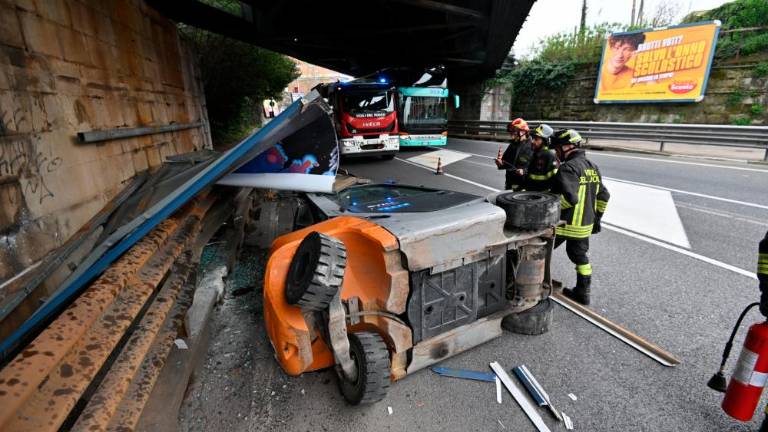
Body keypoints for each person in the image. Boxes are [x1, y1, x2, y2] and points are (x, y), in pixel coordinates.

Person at [549, 129, 610, 305]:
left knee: (540, 249)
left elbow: (570, 198)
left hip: (565, 224)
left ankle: (536, 281)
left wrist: (549, 210)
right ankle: (583, 292)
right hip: (585, 225)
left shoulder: (568, 168)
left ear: (568, 147)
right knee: (580, 257)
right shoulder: (592, 166)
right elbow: (604, 196)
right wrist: (596, 219)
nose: (556, 153)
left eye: (558, 148)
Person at [495, 118, 532, 191]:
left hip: (524, 186)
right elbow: (506, 163)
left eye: (514, 131)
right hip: (510, 184)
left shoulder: (532, 146)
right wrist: (500, 163)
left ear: (522, 132)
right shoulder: (512, 145)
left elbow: (537, 168)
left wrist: (524, 171)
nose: (511, 133)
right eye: (511, 131)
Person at [524, 124, 559, 192]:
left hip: (543, 198)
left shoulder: (550, 156)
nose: (532, 141)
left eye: (536, 139)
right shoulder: (535, 153)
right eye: (532, 138)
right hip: (531, 193)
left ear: (545, 141)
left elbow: (555, 181)